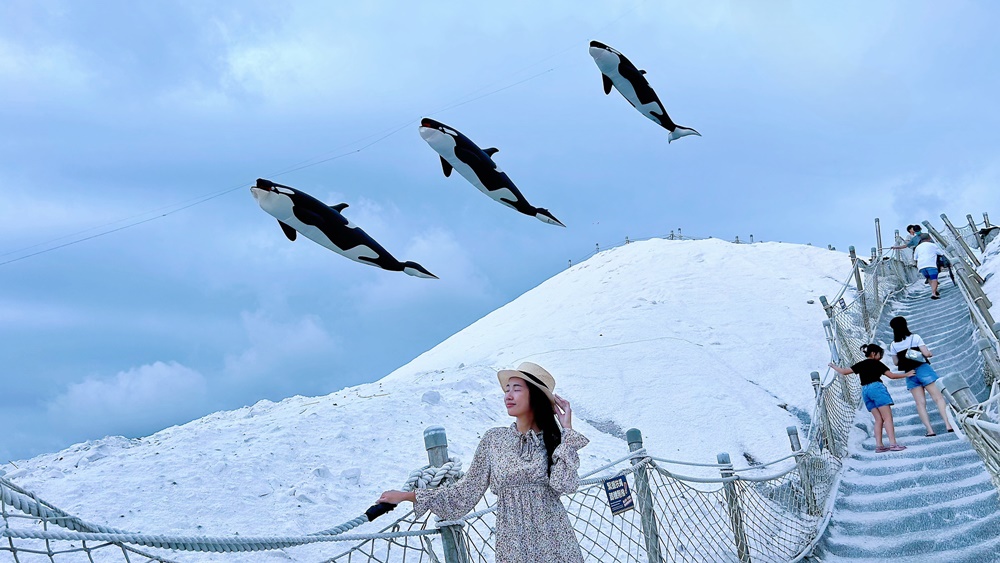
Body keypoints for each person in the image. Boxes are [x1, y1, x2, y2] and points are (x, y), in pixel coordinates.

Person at [377, 362, 588, 563]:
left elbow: (565, 484)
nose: (508, 395)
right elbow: (465, 493)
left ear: (535, 396)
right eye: (507, 389)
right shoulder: (494, 440)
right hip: (513, 545)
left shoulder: (555, 441)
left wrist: (567, 431)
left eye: (517, 389)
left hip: (556, 541)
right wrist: (407, 496)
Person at [829, 344, 911, 452]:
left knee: (878, 419)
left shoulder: (861, 364)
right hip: (877, 388)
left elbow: (844, 372)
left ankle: (879, 446)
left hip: (865, 391)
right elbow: (891, 376)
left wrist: (832, 365)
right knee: (887, 418)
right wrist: (907, 374)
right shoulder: (877, 364)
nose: (880, 357)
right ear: (873, 353)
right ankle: (893, 444)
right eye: (879, 354)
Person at [887, 316, 955, 436]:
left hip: (910, 374)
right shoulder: (915, 337)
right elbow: (926, 353)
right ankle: (948, 425)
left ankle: (930, 430)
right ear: (905, 325)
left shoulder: (893, 345)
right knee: (938, 398)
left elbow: (896, 362)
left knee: (920, 403)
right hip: (923, 370)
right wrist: (929, 354)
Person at [913, 233, 946, 299]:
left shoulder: (917, 247)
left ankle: (934, 290)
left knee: (929, 278)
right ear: (929, 238)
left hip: (921, 266)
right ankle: (933, 293)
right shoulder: (933, 245)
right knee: (934, 279)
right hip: (931, 264)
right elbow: (941, 253)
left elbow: (915, 258)